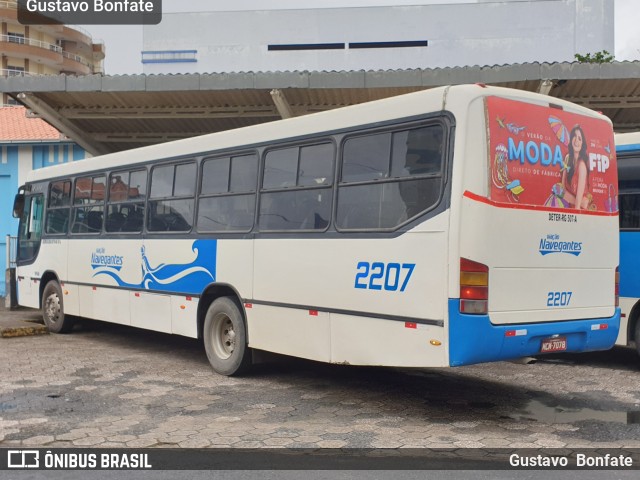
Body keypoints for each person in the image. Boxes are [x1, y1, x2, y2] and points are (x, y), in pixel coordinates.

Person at [560, 125, 591, 210]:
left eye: (579, 138)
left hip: (578, 211)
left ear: (582, 144)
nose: (576, 140)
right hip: (568, 206)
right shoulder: (567, 158)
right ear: (571, 139)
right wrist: (582, 202)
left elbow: (577, 206)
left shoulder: (581, 166)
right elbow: (562, 190)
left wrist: (577, 203)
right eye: (574, 136)